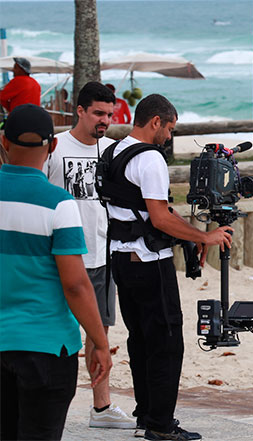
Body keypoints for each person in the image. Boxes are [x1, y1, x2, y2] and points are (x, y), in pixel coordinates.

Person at [106, 93, 233, 440]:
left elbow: (144, 209)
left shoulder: (114, 151)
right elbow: (160, 217)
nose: (170, 137)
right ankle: (161, 426)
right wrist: (204, 237)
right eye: (170, 129)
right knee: (166, 342)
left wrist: (191, 235)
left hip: (120, 258)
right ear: (155, 122)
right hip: (149, 262)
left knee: (141, 339)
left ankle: (146, 415)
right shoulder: (150, 160)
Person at [0, 103, 112, 440]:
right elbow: (76, 285)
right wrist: (100, 342)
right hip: (47, 347)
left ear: (4, 142)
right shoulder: (58, 203)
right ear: (52, 146)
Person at [44, 81, 135, 430]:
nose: (104, 120)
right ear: (78, 111)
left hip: (103, 254)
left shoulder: (112, 150)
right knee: (57, 330)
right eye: (97, 113)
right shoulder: (55, 148)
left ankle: (101, 407)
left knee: (100, 334)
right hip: (60, 256)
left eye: (109, 114)